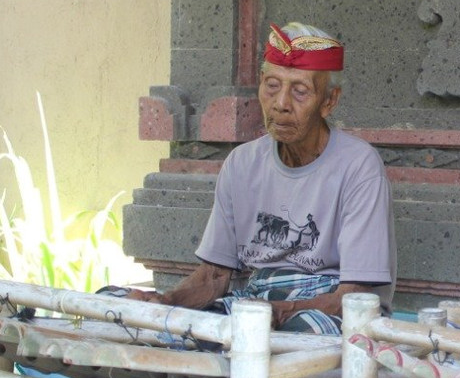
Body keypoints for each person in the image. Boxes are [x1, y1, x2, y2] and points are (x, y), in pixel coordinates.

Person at [123, 22, 396, 334]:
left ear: (329, 101)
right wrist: (165, 303)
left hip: (328, 306)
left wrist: (277, 313)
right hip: (256, 300)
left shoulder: (359, 166)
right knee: (120, 305)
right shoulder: (241, 163)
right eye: (272, 86)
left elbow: (355, 297)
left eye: (300, 91)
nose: (281, 103)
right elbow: (215, 277)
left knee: (290, 334)